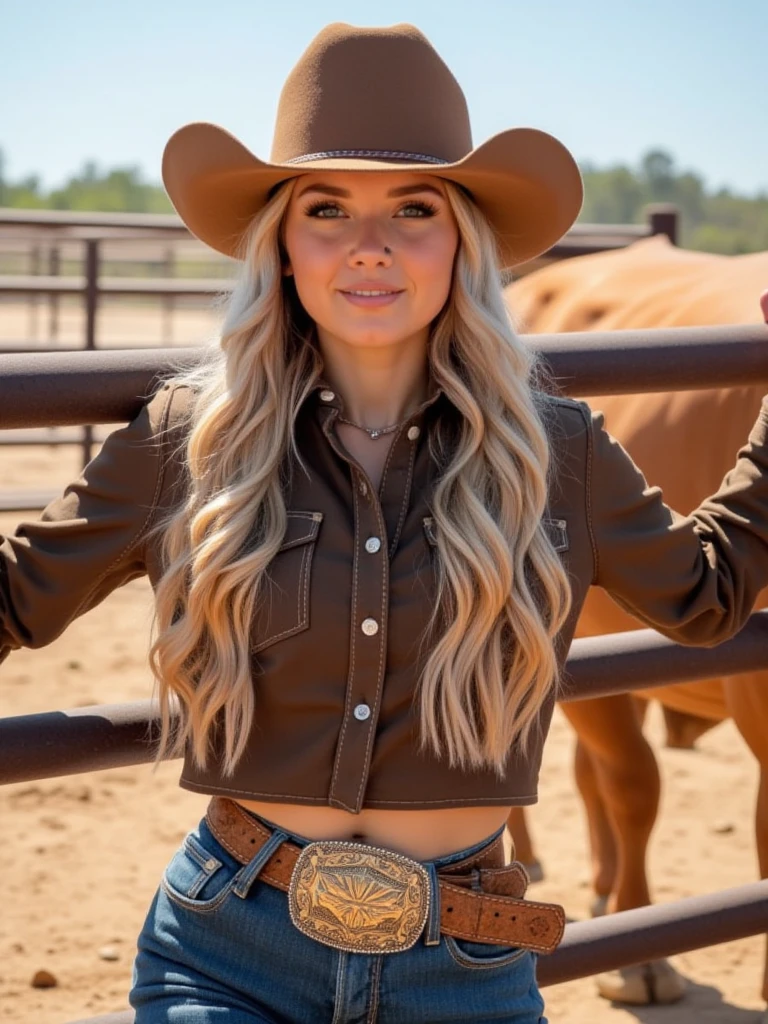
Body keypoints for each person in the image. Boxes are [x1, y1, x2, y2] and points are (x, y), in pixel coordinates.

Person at [2, 22, 768, 1024]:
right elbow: (15, 598)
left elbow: (706, 596)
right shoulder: (188, 438)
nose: (370, 245)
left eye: (415, 209)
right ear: (280, 241)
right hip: (226, 952)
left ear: (462, 241)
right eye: (326, 209)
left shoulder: (558, 451)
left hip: (468, 962)